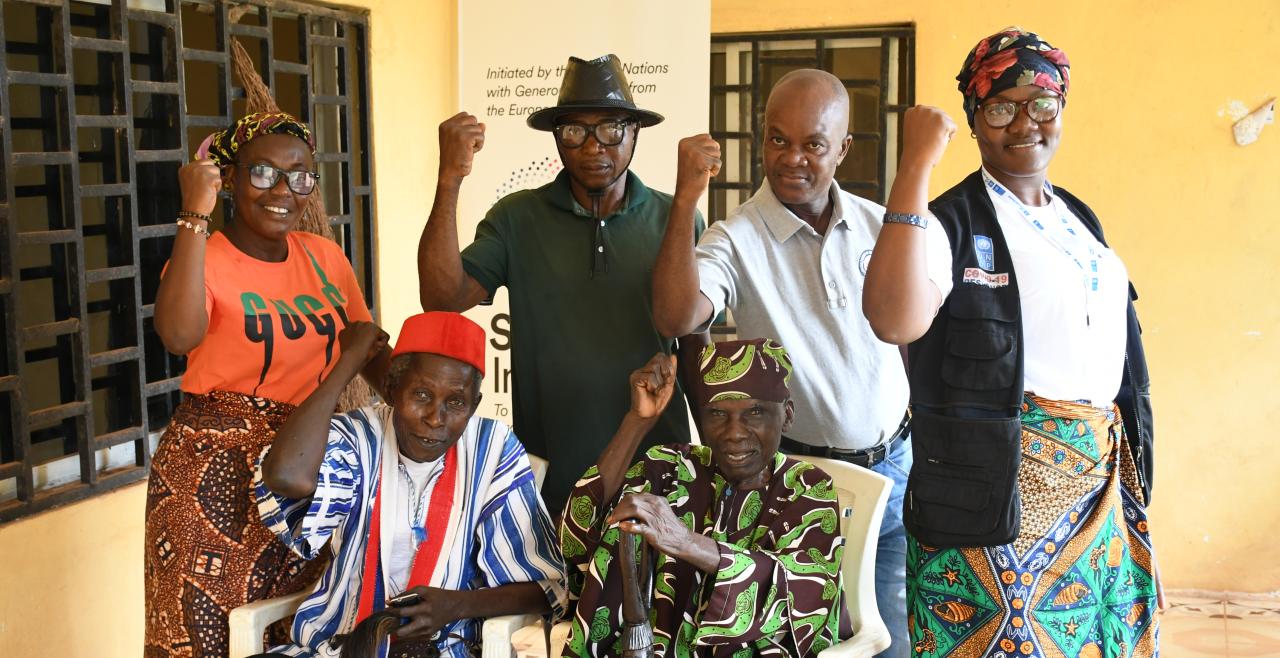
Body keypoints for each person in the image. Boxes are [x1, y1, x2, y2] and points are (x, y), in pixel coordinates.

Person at [862, 28, 1158, 657]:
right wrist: (915, 163)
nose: (1024, 122)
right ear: (974, 121)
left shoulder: (1077, 218)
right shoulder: (951, 222)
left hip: (1097, 478)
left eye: (1041, 103)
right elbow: (893, 319)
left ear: (1061, 109)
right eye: (1000, 106)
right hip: (996, 490)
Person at [651, 69, 934, 657]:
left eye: (813, 144)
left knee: (892, 641)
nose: (793, 159)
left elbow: (904, 340)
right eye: (778, 140)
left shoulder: (881, 224)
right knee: (810, 638)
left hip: (896, 465)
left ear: (844, 149)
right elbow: (677, 317)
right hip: (805, 481)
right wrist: (685, 200)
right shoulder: (737, 238)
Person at [145, 112, 387, 658]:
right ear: (227, 179)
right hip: (212, 475)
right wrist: (193, 217)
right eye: (262, 174)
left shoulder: (324, 258)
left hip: (303, 467)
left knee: (297, 626)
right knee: (205, 635)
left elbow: (369, 353)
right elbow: (179, 336)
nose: (283, 191)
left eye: (300, 176)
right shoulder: (205, 258)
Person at [417, 54, 703, 514]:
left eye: (611, 129)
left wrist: (712, 458)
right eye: (574, 131)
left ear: (635, 131)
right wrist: (450, 178)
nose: (593, 148)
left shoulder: (676, 216)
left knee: (658, 586)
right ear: (556, 137)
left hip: (658, 463)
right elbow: (442, 298)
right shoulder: (517, 217)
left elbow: (694, 345)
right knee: (555, 586)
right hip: (551, 471)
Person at [254, 312, 566, 658]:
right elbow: (287, 475)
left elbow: (544, 587)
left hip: (444, 650)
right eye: (420, 394)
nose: (436, 418)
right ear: (390, 390)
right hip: (337, 645)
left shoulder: (491, 448)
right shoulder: (359, 437)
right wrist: (349, 363)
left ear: (474, 405)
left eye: (456, 402)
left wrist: (457, 606)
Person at [561, 339, 848, 657]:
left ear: (787, 415)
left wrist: (684, 541)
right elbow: (578, 535)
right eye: (717, 414)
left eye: (755, 412)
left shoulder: (808, 487)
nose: (734, 432)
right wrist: (637, 422)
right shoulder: (672, 468)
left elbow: (803, 591)